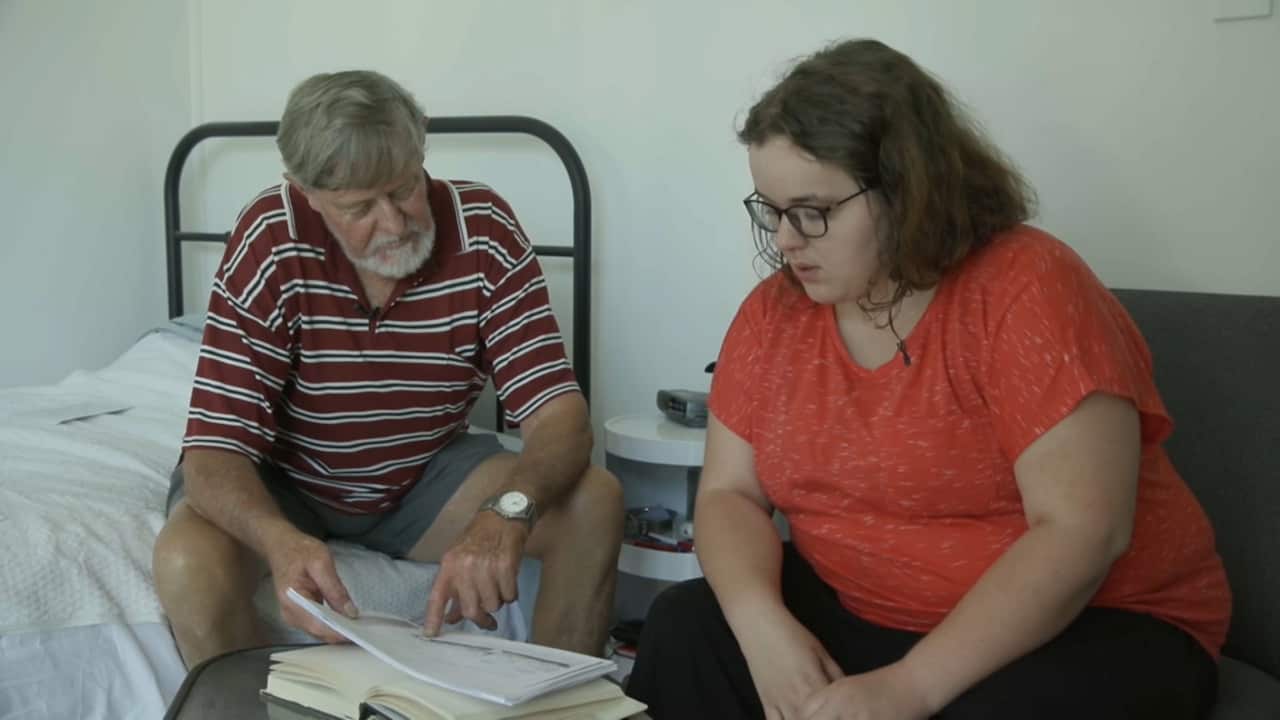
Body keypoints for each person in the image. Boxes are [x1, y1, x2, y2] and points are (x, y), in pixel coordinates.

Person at [627, 39, 1230, 719]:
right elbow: (730, 494)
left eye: (812, 211)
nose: (787, 239)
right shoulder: (774, 313)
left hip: (1090, 624)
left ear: (906, 191)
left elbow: (1081, 533)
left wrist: (908, 688)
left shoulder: (1029, 288)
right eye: (770, 209)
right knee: (685, 629)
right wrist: (760, 625)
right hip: (869, 613)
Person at [151, 70, 623, 668]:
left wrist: (507, 512)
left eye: (404, 189)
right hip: (281, 482)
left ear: (422, 147)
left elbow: (559, 416)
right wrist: (279, 541)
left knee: (595, 500)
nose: (396, 224)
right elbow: (214, 452)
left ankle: (559, 708)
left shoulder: (484, 229)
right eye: (359, 208)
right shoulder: (270, 235)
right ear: (305, 194)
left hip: (419, 477)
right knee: (186, 562)